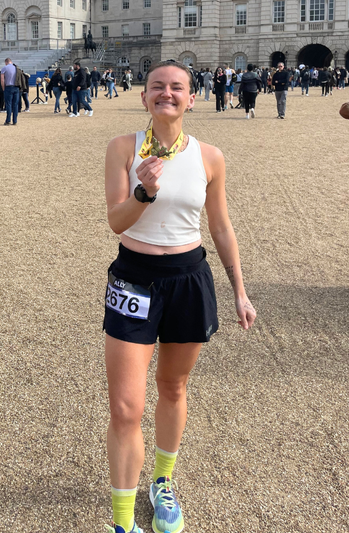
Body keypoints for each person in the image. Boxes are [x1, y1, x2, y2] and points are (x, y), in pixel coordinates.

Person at [102, 61, 256, 533]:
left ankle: (162, 482)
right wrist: (144, 192)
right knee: (126, 407)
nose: (166, 94)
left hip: (189, 278)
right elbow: (116, 221)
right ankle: (123, 522)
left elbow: (221, 227)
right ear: (144, 96)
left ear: (192, 98)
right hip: (134, 278)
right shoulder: (122, 148)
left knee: (173, 387)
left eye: (177, 88)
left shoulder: (210, 156)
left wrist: (240, 292)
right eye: (157, 87)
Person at [1, 58, 20, 126]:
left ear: (6, 62)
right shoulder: (16, 68)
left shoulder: (4, 68)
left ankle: (8, 120)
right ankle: (15, 120)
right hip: (16, 87)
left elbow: (2, 80)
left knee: (8, 104)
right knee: (15, 104)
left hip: (8, 87)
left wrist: (3, 88)